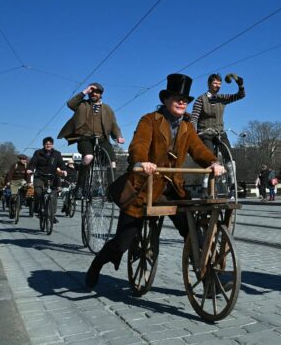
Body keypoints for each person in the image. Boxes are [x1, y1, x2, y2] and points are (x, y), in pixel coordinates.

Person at [85, 73, 225, 290]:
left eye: (185, 100)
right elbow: (139, 144)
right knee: (123, 241)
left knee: (193, 233)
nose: (182, 102)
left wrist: (214, 162)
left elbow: (199, 150)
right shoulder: (149, 120)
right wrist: (142, 161)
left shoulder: (187, 127)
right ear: (166, 100)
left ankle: (207, 279)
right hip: (144, 188)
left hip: (173, 190)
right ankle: (97, 264)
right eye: (177, 98)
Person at [58, 83, 125, 198]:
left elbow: (114, 125)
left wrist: (118, 136)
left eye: (97, 92)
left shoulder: (108, 109)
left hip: (102, 139)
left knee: (112, 162)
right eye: (92, 92)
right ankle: (79, 187)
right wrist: (85, 91)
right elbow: (70, 104)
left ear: (101, 94)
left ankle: (111, 190)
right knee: (88, 157)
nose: (94, 94)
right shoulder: (82, 105)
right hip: (85, 138)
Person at [190, 73, 245, 197]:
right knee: (209, 158)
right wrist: (193, 135)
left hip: (219, 132)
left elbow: (240, 96)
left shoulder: (222, 98)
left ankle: (232, 185)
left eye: (219, 84)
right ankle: (205, 187)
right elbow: (194, 118)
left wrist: (240, 85)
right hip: (205, 133)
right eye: (215, 83)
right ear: (209, 84)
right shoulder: (201, 99)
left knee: (229, 156)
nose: (217, 86)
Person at [27, 137, 67, 221]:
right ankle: (37, 208)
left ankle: (51, 214)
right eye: (46, 144)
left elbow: (61, 164)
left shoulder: (57, 154)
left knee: (53, 195)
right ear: (43, 145)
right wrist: (30, 169)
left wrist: (64, 170)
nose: (48, 145)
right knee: (38, 191)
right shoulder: (38, 153)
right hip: (40, 176)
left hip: (52, 177)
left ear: (52, 145)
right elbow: (33, 163)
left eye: (49, 144)